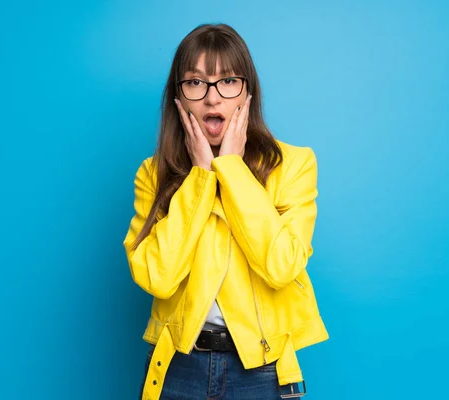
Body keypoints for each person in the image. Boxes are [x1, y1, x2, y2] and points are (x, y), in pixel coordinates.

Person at [123, 23, 329, 400]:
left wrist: (231, 170)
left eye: (228, 81)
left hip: (262, 370)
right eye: (196, 83)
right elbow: (157, 277)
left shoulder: (293, 165)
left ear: (247, 92)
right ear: (178, 97)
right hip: (177, 368)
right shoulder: (153, 174)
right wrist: (201, 176)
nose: (213, 98)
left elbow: (282, 266)